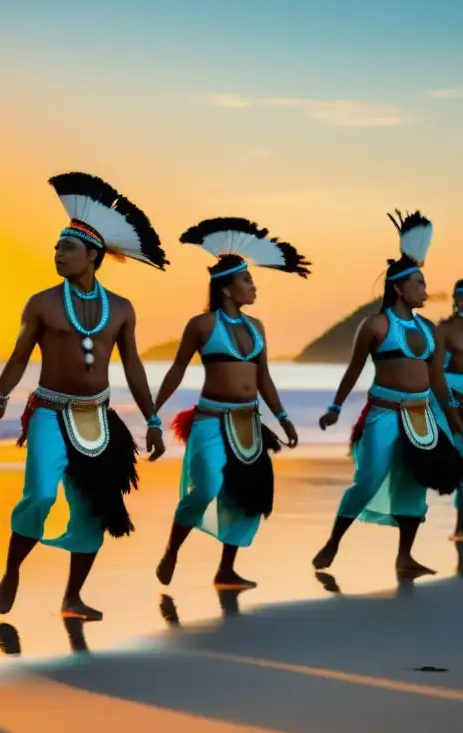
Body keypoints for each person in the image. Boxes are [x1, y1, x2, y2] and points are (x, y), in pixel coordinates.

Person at [0, 171, 168, 621]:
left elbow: (134, 367)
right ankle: (12, 571)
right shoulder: (42, 303)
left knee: (92, 511)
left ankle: (72, 597)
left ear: (92, 256)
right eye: (56, 247)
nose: (57, 254)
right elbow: (19, 356)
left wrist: (154, 420)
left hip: (98, 417)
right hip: (48, 412)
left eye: (67, 248)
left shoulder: (121, 309)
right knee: (41, 496)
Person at [154, 217, 309, 590]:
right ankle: (173, 549)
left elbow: (264, 378)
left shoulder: (257, 328)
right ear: (226, 289)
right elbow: (176, 370)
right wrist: (152, 413)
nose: (253, 286)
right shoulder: (202, 326)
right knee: (206, 486)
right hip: (210, 420)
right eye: (247, 280)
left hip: (248, 424)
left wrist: (284, 419)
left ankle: (226, 569)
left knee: (244, 498)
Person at [314, 210, 463, 574]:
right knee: (368, 478)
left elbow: (437, 381)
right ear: (398, 287)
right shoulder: (376, 325)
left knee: (414, 484)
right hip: (384, 413)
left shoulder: (429, 329)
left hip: (421, 414)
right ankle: (334, 541)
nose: (426, 290)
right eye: (419, 283)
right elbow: (353, 369)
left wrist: (455, 422)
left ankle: (404, 556)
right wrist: (334, 407)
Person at [433, 278, 463, 540]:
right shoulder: (445, 329)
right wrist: (451, 405)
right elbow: (437, 372)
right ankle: (460, 524)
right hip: (453, 395)